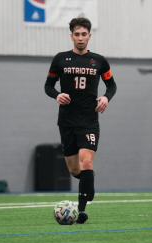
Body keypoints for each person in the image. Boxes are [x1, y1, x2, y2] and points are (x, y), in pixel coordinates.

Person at [44, 17, 117, 224]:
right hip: (67, 121)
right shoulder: (60, 59)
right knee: (75, 170)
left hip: (89, 120)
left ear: (89, 36)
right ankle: (88, 183)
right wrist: (56, 95)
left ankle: (82, 211)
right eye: (77, 34)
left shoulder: (99, 61)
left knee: (87, 162)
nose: (80, 38)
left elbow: (112, 85)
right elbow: (48, 85)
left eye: (84, 34)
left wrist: (105, 97)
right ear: (71, 36)